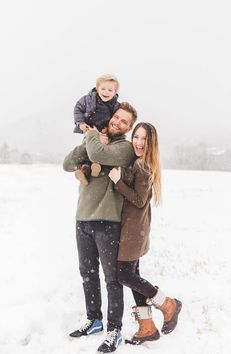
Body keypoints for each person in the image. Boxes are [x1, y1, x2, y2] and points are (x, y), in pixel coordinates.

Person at [63, 102, 137, 353]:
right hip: (83, 218)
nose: (117, 122)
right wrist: (90, 138)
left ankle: (113, 329)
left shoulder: (125, 148)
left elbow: (97, 155)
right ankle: (93, 319)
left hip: (108, 222)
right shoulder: (95, 141)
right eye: (116, 117)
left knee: (112, 279)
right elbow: (67, 163)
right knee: (87, 272)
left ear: (129, 127)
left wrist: (91, 132)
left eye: (124, 121)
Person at [108, 122, 182, 345]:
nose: (139, 142)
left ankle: (168, 304)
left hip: (133, 229)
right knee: (134, 276)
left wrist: (117, 182)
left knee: (125, 276)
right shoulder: (140, 163)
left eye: (144, 139)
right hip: (134, 227)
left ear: (151, 143)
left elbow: (139, 200)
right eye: (136, 137)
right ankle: (147, 327)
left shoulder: (143, 166)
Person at [73, 74, 120, 185]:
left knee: (100, 149)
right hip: (89, 129)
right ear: (97, 88)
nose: (106, 92)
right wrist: (81, 123)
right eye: (103, 88)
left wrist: (107, 130)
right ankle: (84, 170)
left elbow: (116, 119)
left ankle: (96, 166)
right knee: (87, 149)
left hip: (104, 133)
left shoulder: (115, 105)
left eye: (110, 90)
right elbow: (78, 109)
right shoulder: (88, 99)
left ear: (115, 92)